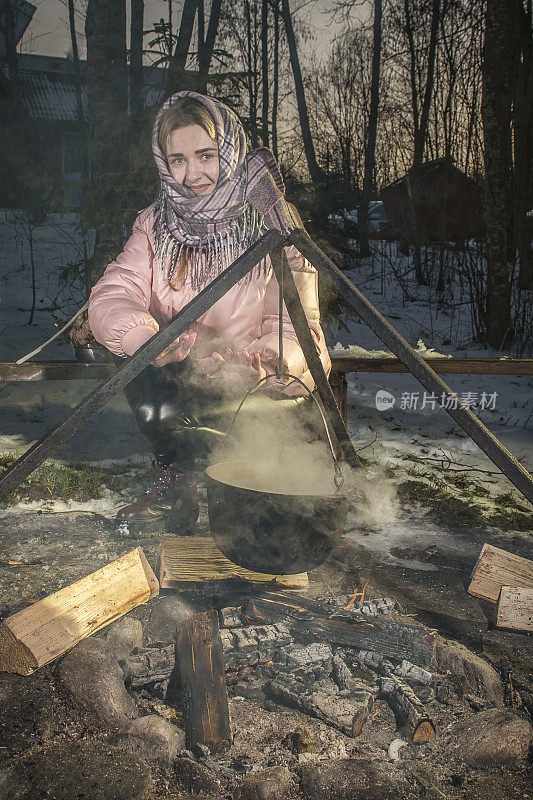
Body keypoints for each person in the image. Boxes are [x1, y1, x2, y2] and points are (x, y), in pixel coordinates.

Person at [88, 90, 331, 529]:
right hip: (178, 376)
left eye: (206, 155)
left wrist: (274, 361)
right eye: (177, 159)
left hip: (248, 380)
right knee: (140, 372)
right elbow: (114, 293)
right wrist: (150, 341)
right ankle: (175, 486)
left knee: (255, 522)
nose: (192, 174)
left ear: (231, 151)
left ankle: (250, 491)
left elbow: (300, 325)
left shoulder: (273, 223)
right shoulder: (154, 225)